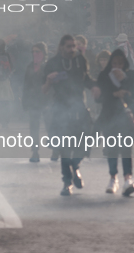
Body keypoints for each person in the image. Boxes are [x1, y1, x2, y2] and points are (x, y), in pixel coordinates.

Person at [42, 35, 100, 196]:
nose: (72, 49)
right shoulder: (53, 63)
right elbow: (44, 89)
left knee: (84, 142)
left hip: (79, 107)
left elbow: (86, 79)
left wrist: (94, 87)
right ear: (61, 47)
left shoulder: (80, 60)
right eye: (68, 46)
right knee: (64, 148)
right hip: (60, 108)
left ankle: (76, 167)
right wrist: (48, 80)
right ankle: (67, 182)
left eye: (74, 46)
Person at [95, 50, 134, 196]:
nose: (117, 66)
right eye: (114, 63)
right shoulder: (104, 76)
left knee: (126, 148)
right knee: (112, 148)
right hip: (109, 116)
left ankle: (128, 178)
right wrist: (114, 94)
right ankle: (113, 178)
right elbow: (99, 98)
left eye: (120, 63)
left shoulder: (131, 75)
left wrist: (124, 82)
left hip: (126, 117)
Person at [22, 42, 49, 162]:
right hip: (33, 101)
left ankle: (55, 147)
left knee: (50, 125)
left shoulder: (48, 66)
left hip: (47, 100)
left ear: (43, 52)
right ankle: (35, 151)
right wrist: (24, 101)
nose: (35, 54)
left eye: (37, 51)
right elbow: (26, 85)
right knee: (34, 127)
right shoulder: (29, 66)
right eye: (33, 52)